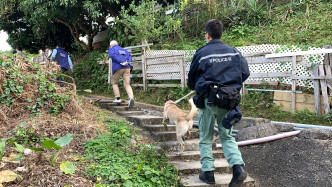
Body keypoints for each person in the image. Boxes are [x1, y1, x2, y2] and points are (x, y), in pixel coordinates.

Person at [187, 19, 250, 186]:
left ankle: (208, 173)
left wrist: (201, 87)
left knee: (206, 137)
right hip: (229, 101)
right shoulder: (234, 52)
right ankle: (238, 168)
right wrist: (229, 86)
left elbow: (191, 80)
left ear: (207, 35)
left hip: (208, 100)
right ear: (221, 34)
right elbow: (245, 73)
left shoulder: (201, 53)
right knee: (227, 136)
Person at [108, 40, 134, 108]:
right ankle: (131, 98)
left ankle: (118, 98)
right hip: (127, 67)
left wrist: (121, 62)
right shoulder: (124, 50)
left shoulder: (111, 49)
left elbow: (113, 56)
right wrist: (127, 62)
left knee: (114, 82)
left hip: (118, 67)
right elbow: (130, 56)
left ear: (111, 45)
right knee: (127, 84)